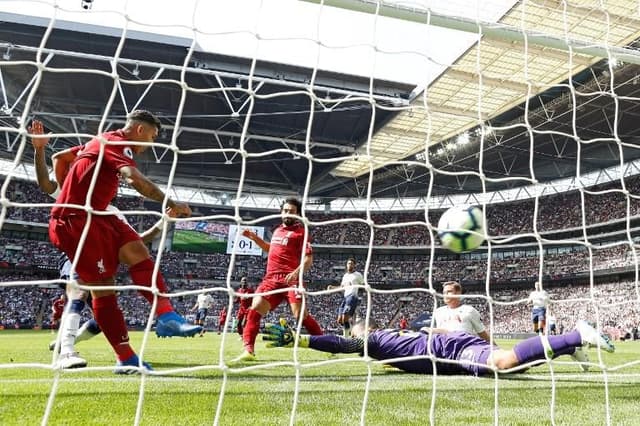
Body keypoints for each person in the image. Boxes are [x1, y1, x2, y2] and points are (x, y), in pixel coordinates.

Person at [30, 119, 197, 370]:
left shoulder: (101, 158)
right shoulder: (117, 143)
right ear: (139, 130)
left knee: (137, 252)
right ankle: (84, 352)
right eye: (152, 136)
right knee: (92, 290)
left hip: (96, 219)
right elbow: (134, 178)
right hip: (75, 221)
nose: (151, 144)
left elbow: (62, 156)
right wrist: (169, 202)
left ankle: (166, 315)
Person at [263, 319, 615, 376]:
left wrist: (304, 339)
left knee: (503, 363)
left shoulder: (375, 340)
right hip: (449, 345)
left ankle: (574, 335)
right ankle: (565, 346)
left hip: (449, 351)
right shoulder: (390, 339)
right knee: (509, 367)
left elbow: (343, 344)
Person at [232, 198, 323, 362]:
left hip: (291, 280)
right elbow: (271, 248)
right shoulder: (277, 231)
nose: (288, 213)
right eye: (286, 210)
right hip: (271, 279)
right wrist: (255, 238)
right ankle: (248, 351)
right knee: (254, 310)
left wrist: (296, 273)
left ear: (298, 214)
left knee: (300, 316)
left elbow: (308, 259)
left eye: (292, 211)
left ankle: (326, 345)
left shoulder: (302, 233)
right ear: (281, 212)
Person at [327, 258, 364, 337]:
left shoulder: (358, 275)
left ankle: (346, 338)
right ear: (346, 265)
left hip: (352, 297)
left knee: (345, 318)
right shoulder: (345, 276)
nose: (350, 265)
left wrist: (359, 288)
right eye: (348, 263)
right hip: (345, 297)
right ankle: (352, 330)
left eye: (351, 263)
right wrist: (332, 287)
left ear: (354, 265)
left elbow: (363, 285)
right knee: (340, 320)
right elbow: (342, 287)